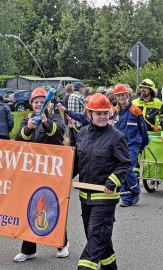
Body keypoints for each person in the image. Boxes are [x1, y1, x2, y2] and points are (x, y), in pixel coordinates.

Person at [76, 93, 132, 270]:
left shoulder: (116, 137)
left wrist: (112, 181)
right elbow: (77, 163)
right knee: (100, 240)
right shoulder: (82, 134)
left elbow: (125, 163)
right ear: (89, 114)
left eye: (105, 113)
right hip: (85, 198)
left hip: (105, 199)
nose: (102, 117)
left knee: (94, 242)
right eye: (98, 113)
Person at [13, 88, 68, 262]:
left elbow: (59, 133)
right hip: (32, 172)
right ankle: (28, 250)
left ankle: (62, 243)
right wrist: (28, 129)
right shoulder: (27, 120)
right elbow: (18, 140)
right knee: (30, 208)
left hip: (52, 171)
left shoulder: (55, 118)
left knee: (52, 207)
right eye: (36, 101)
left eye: (42, 101)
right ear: (32, 104)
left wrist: (45, 123)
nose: (38, 104)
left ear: (49, 103)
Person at [113, 83, 149, 207]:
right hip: (119, 146)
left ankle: (134, 191)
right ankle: (127, 197)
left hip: (133, 145)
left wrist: (143, 144)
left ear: (127, 95)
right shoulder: (115, 111)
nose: (121, 97)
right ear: (116, 97)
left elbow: (142, 129)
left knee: (127, 169)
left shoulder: (135, 110)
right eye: (118, 95)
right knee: (121, 170)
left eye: (122, 95)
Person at [67, 81, 85, 146]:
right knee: (80, 143)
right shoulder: (80, 97)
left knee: (72, 143)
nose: (83, 89)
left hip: (71, 123)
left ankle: (72, 156)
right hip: (78, 124)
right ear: (79, 88)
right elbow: (86, 108)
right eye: (83, 88)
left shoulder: (70, 96)